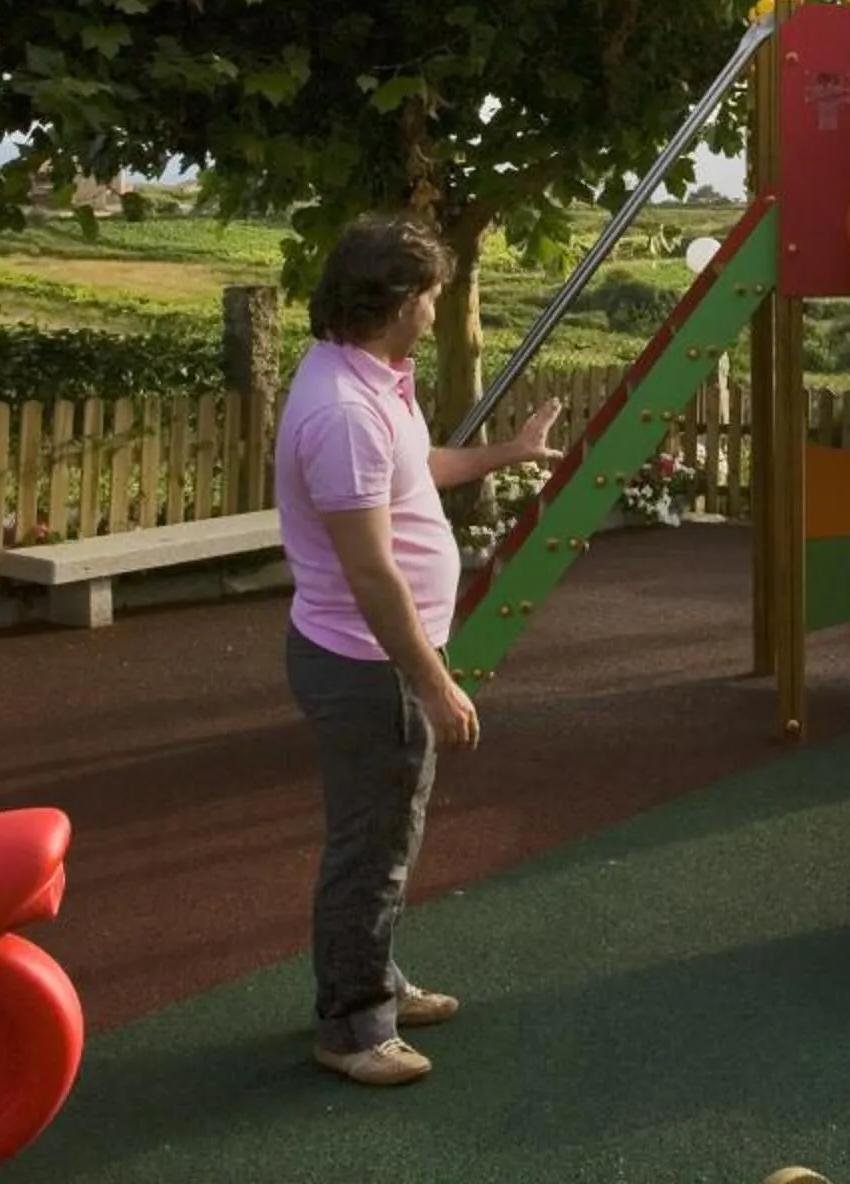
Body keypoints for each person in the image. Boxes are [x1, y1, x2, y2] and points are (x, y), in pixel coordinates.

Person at [275, 215, 565, 1088]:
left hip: (372, 660)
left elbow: (414, 470)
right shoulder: (344, 411)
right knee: (371, 844)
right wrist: (434, 683)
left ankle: (379, 984)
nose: (439, 308)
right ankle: (353, 1027)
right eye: (434, 294)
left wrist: (505, 453)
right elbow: (371, 571)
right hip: (367, 666)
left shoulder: (367, 379)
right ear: (401, 302)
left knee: (388, 833)